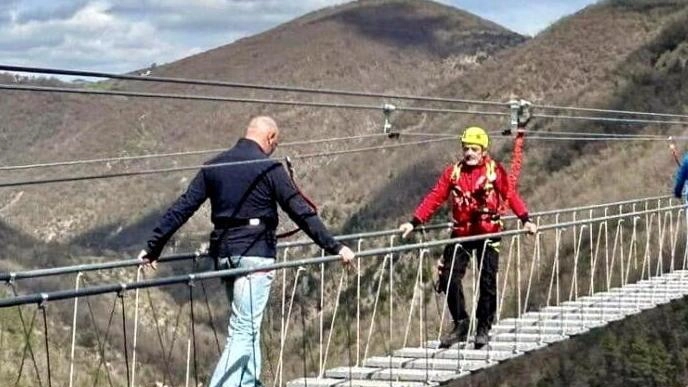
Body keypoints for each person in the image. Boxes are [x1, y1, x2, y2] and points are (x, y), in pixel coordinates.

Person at [138, 116, 356, 387]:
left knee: (247, 327)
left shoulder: (214, 166)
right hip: (256, 254)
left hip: (224, 255)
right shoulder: (269, 169)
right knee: (243, 330)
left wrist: (153, 247)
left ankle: (250, 383)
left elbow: (182, 208)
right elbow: (301, 212)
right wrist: (335, 246)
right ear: (270, 138)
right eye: (276, 143)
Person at [398, 126, 537, 349]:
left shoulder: (494, 171)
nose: (469, 153)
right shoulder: (453, 173)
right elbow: (435, 197)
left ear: (483, 151)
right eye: (466, 149)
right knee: (448, 277)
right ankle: (462, 323)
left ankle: (484, 326)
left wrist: (525, 219)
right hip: (462, 231)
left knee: (487, 281)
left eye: (474, 149)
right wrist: (414, 222)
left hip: (488, 231)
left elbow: (510, 196)